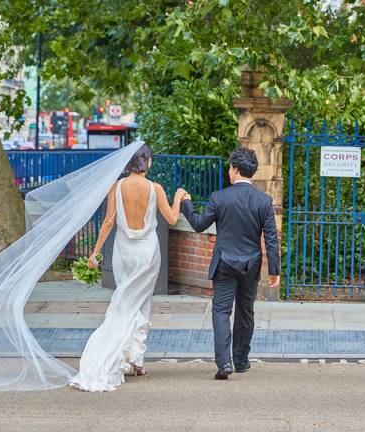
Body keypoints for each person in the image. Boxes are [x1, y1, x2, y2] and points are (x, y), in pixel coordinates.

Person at [69, 143, 188, 392]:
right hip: (147, 253)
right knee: (141, 303)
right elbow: (173, 218)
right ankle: (136, 360)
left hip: (122, 252)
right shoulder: (156, 188)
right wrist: (178, 198)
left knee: (123, 301)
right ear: (148, 162)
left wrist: (95, 252)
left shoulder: (117, 186)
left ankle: (122, 355)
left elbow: (109, 221)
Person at [178, 146, 280, 380]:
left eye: (230, 168)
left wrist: (187, 204)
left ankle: (224, 363)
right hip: (251, 265)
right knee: (246, 312)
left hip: (224, 263)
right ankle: (241, 361)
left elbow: (198, 224)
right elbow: (271, 238)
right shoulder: (264, 201)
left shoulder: (219, 197)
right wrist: (274, 270)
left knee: (221, 312)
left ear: (234, 169)